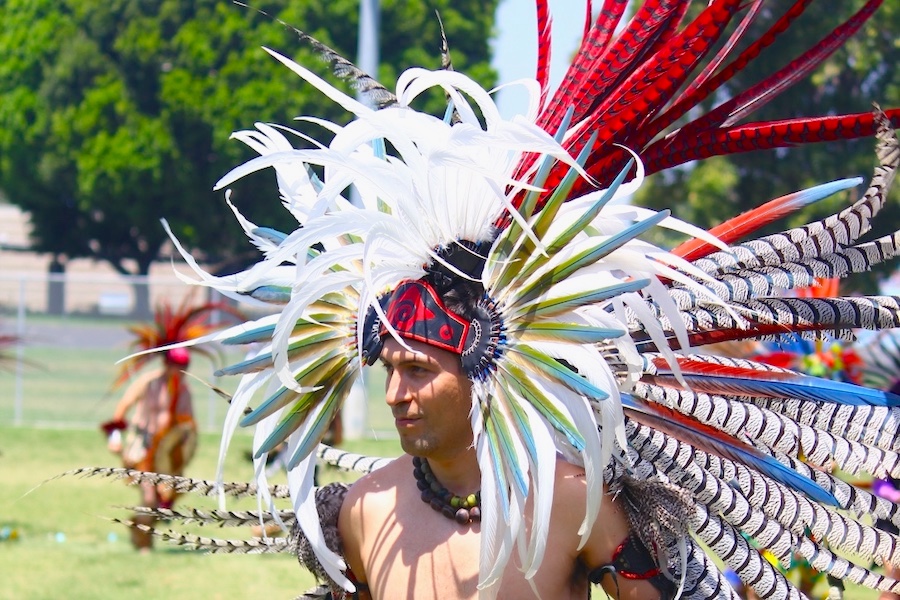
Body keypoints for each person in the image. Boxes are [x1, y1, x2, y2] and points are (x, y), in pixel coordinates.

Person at [103, 347, 196, 551]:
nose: (181, 371)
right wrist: (115, 436)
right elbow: (123, 406)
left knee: (164, 497)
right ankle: (144, 546)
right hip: (142, 446)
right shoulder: (148, 382)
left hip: (165, 452)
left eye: (185, 367)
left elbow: (188, 425)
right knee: (149, 497)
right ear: (167, 364)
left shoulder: (184, 391)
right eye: (178, 366)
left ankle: (140, 529)